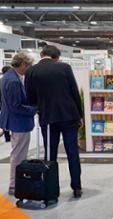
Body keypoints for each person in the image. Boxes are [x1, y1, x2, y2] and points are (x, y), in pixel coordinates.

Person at [25, 45, 83, 198]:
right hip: (69, 115)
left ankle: (51, 188)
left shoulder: (31, 71)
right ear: (56, 57)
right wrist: (80, 115)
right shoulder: (64, 68)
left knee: (50, 154)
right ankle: (76, 187)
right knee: (72, 152)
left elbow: (30, 98)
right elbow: (74, 92)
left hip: (47, 117)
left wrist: (40, 107)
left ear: (41, 54)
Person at [0, 52, 37, 195]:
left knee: (18, 153)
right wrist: (34, 109)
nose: (29, 69)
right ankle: (15, 185)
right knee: (19, 154)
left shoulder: (8, 77)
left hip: (15, 121)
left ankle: (17, 182)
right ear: (22, 64)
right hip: (18, 122)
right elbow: (16, 106)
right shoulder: (13, 81)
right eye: (28, 66)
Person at [0, 66, 12, 142]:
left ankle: (7, 136)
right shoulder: (8, 80)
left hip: (2, 104)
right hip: (6, 104)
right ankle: (8, 136)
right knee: (8, 119)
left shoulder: (1, 80)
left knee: (5, 120)